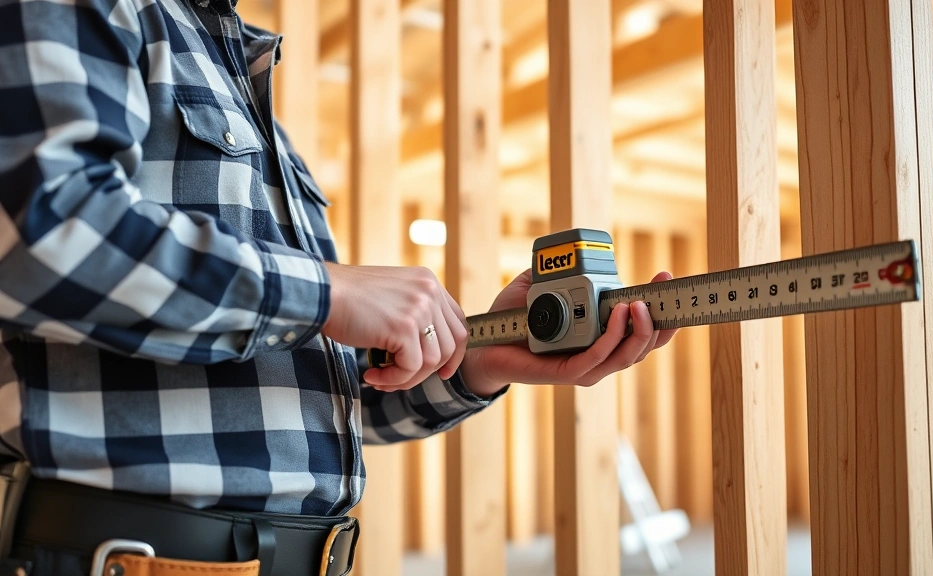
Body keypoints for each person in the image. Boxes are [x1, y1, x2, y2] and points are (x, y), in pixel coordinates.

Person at [0, 1, 677, 575]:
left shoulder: (243, 94)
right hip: (122, 554)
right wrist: (327, 292)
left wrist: (474, 361)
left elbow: (307, 400)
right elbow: (38, 237)